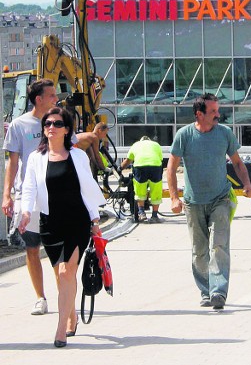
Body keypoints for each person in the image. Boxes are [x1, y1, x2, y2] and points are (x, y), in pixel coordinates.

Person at [18, 107, 106, 347]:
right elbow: (29, 188)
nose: (51, 128)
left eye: (57, 124)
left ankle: (60, 329)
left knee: (68, 272)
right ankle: (72, 314)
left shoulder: (77, 156)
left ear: (67, 129)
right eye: (47, 123)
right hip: (50, 222)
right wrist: (26, 212)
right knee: (61, 274)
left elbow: (87, 190)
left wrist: (95, 220)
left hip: (77, 220)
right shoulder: (37, 158)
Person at [167, 94, 251, 310]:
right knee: (199, 250)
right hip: (193, 202)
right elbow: (170, 168)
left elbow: (237, 163)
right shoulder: (184, 135)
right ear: (199, 114)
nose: (218, 114)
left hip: (220, 198)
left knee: (219, 245)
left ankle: (218, 292)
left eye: (217, 110)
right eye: (213, 111)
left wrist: (247, 184)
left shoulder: (224, 134)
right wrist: (174, 198)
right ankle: (205, 290)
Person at [2, 79, 59, 315]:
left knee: (59, 249)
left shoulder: (60, 121)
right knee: (32, 248)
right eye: (52, 95)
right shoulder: (19, 125)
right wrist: (7, 195)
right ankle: (40, 297)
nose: (56, 99)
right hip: (30, 198)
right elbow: (13, 163)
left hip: (57, 195)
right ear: (39, 99)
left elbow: (73, 152)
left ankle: (65, 296)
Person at [120, 135, 164, 223]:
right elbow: (160, 159)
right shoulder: (156, 145)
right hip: (155, 166)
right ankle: (154, 216)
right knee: (156, 190)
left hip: (140, 167)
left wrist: (119, 169)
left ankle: (141, 213)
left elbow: (128, 160)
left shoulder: (136, 145)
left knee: (140, 191)